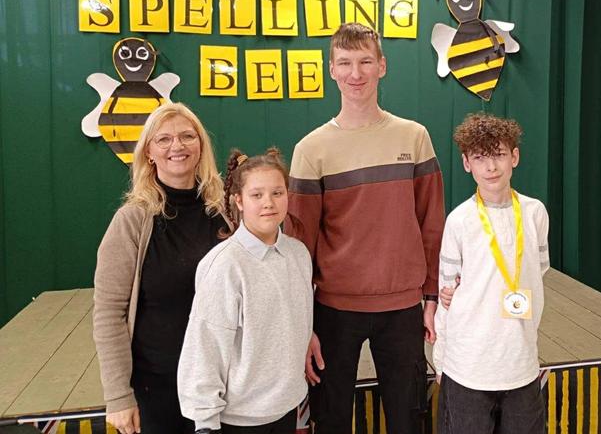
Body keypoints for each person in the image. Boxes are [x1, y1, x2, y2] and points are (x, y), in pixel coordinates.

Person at [286, 22, 445, 434]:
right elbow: (297, 246)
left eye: (364, 62)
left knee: (407, 420)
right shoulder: (310, 150)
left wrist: (431, 297)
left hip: (403, 308)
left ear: (382, 66)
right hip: (334, 310)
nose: (355, 73)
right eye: (344, 63)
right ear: (331, 70)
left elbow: (432, 225)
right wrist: (302, 323)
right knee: (333, 419)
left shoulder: (415, 137)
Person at [93, 102, 228, 434]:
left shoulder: (227, 212)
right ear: (149, 153)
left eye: (187, 136)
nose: (177, 146)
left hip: (225, 386)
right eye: (164, 139)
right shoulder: (132, 221)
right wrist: (118, 396)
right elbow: (109, 313)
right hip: (159, 389)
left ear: (201, 146)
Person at [178, 148, 313, 434]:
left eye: (277, 193)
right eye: (256, 195)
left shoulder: (298, 254)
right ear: (238, 200)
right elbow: (205, 346)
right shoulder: (225, 265)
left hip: (286, 409)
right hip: (238, 420)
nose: (268, 203)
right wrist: (205, 423)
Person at [433, 112, 549, 434]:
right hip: (469, 366)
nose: (491, 167)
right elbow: (447, 294)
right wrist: (441, 359)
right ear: (466, 163)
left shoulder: (535, 213)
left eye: (498, 154)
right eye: (479, 158)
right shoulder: (459, 221)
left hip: (521, 363)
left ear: (515, 156)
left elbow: (538, 271)